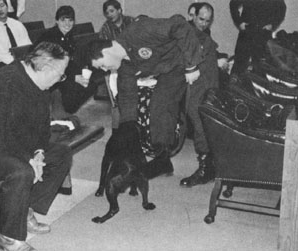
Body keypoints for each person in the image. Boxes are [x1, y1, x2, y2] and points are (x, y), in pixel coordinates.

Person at [0, 41, 72, 251]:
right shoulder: (4, 84)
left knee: (61, 154)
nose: (61, 78)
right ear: (44, 66)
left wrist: (39, 152)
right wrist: (29, 159)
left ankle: (24, 209)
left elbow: (42, 128)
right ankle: (9, 238)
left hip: (11, 146)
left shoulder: (41, 85)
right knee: (21, 172)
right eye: (61, 73)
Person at [87, 14, 203, 177]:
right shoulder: (124, 66)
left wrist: (191, 66)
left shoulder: (139, 31)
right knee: (158, 104)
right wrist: (128, 128)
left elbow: (179, 25)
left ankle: (208, 162)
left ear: (106, 51)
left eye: (103, 65)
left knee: (197, 110)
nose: (106, 70)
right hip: (170, 69)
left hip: (194, 50)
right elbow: (127, 96)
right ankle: (163, 158)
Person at [180, 2, 220, 187]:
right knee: (198, 121)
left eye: (207, 21)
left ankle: (206, 168)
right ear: (191, 15)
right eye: (201, 19)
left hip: (203, 84)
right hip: (197, 82)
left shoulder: (201, 36)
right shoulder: (183, 32)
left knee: (199, 121)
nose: (204, 24)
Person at [34, 5, 97, 116]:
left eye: (70, 20)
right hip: (46, 74)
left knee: (91, 83)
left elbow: (70, 60)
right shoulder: (50, 37)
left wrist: (81, 71)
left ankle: (68, 111)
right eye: (63, 20)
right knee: (73, 86)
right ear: (57, 21)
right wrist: (73, 77)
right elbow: (51, 65)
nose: (67, 24)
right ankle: (66, 112)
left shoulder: (68, 36)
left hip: (62, 72)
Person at [98, 0, 134, 131]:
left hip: (133, 63)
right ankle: (116, 131)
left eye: (112, 11)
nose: (109, 15)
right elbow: (102, 50)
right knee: (117, 101)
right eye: (106, 13)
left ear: (120, 10)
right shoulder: (106, 28)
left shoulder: (131, 22)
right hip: (115, 67)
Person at [230, 0, 287, 75]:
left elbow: (282, 8)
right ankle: (233, 85)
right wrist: (239, 22)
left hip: (263, 33)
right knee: (239, 64)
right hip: (247, 31)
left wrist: (272, 24)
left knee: (261, 67)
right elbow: (233, 4)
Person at [0, 0, 31, 74]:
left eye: (2, 6)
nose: (0, 9)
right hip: (0, 65)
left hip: (20, 61)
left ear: (7, 7)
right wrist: (22, 66)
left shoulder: (17, 24)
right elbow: (4, 56)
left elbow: (26, 45)